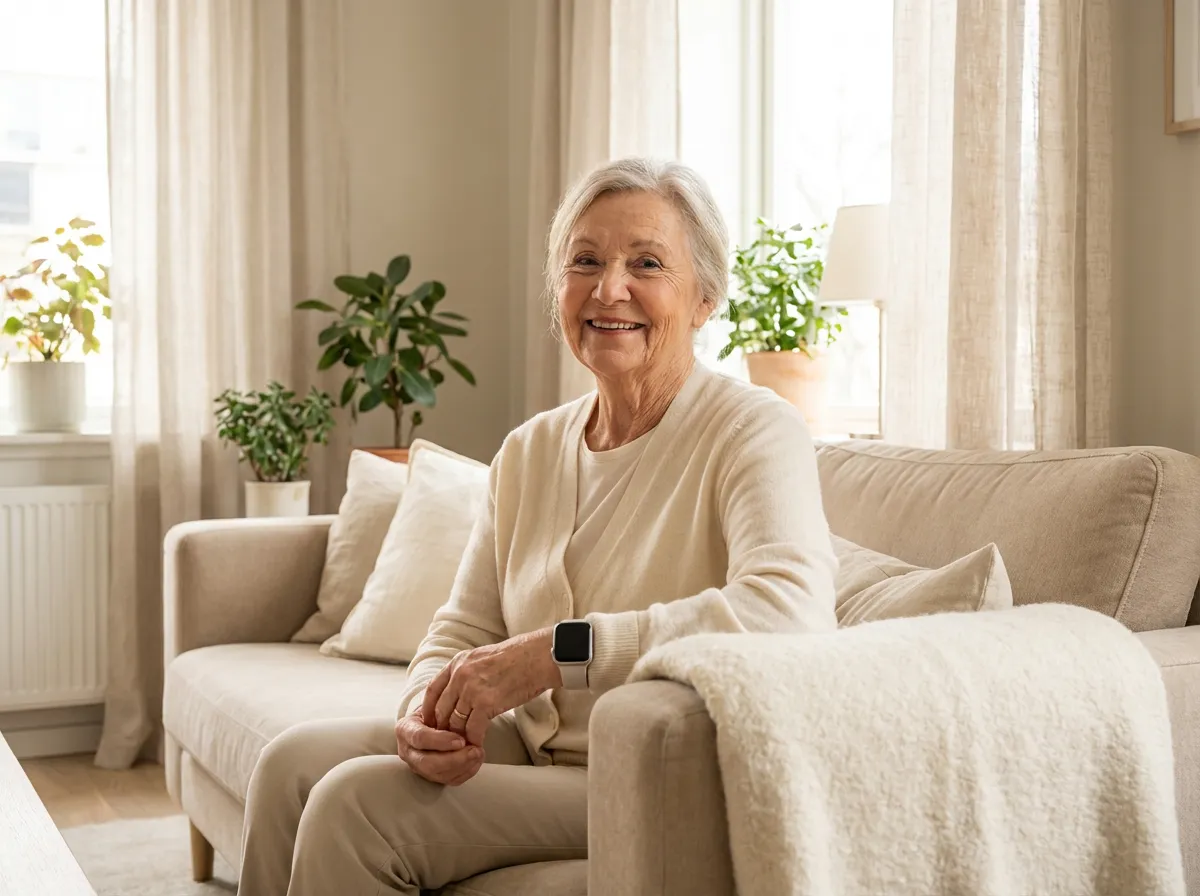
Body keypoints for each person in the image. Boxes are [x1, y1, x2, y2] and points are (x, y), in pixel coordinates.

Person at [236, 157, 838, 896]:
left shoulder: (753, 430)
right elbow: (462, 627)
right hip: (533, 751)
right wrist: (424, 709)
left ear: (705, 296)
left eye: (646, 263)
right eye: (584, 261)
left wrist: (557, 655)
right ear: (558, 289)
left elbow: (789, 616)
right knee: (290, 767)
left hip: (663, 776)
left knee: (353, 809)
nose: (608, 288)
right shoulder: (530, 449)